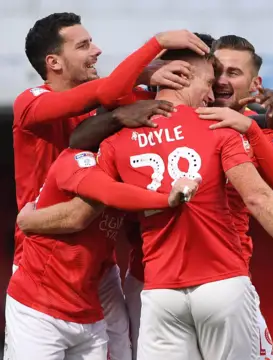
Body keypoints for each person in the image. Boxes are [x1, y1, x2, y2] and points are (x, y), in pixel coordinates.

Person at [94, 45, 273, 359]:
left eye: (230, 75)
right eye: (210, 81)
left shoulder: (119, 139)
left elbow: (96, 191)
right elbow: (260, 197)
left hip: (158, 290)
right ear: (182, 76)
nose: (213, 92)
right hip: (220, 282)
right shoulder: (219, 130)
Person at [11, 11, 210, 360]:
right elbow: (108, 90)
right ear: (53, 62)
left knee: (123, 353)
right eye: (84, 45)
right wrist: (157, 44)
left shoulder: (107, 103)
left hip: (100, 263)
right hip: (44, 257)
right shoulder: (32, 102)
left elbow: (139, 97)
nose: (97, 51)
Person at [122, 34, 273, 359]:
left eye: (233, 73)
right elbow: (110, 91)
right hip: (152, 283)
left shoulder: (257, 133)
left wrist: (271, 121)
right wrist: (149, 71)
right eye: (216, 71)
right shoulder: (154, 109)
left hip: (223, 282)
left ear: (255, 83)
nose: (222, 80)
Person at [5, 146, 199, 360]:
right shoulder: (75, 161)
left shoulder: (134, 174)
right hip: (39, 306)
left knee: (123, 352)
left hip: (88, 307)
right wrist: (167, 199)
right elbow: (81, 214)